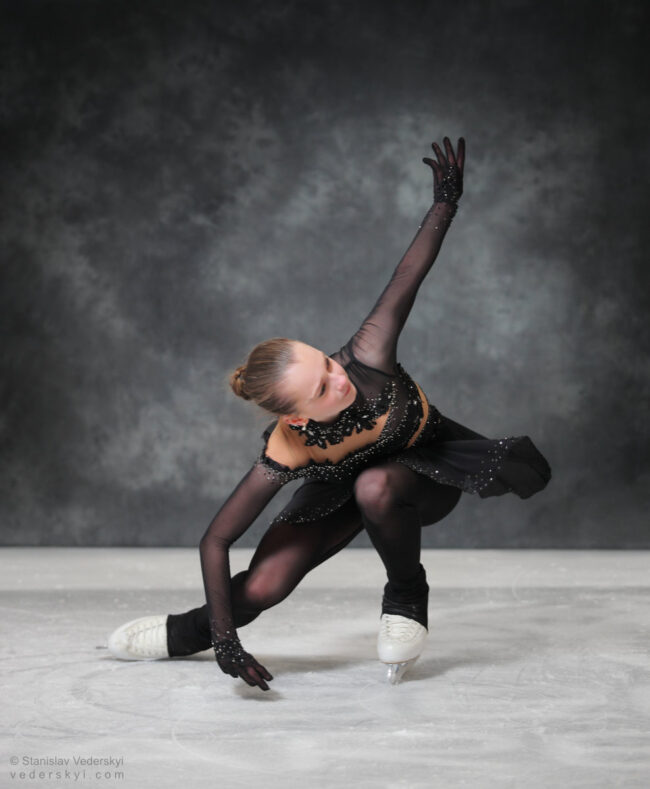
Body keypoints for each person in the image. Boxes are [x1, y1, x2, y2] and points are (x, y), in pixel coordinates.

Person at [107, 136, 551, 691]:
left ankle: (407, 595)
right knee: (263, 586)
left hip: (426, 472)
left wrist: (445, 203)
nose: (339, 376)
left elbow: (407, 275)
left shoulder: (367, 356)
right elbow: (215, 540)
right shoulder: (287, 446)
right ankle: (185, 632)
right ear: (296, 420)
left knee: (374, 485)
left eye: (325, 362)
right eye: (322, 388)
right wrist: (225, 638)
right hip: (339, 492)